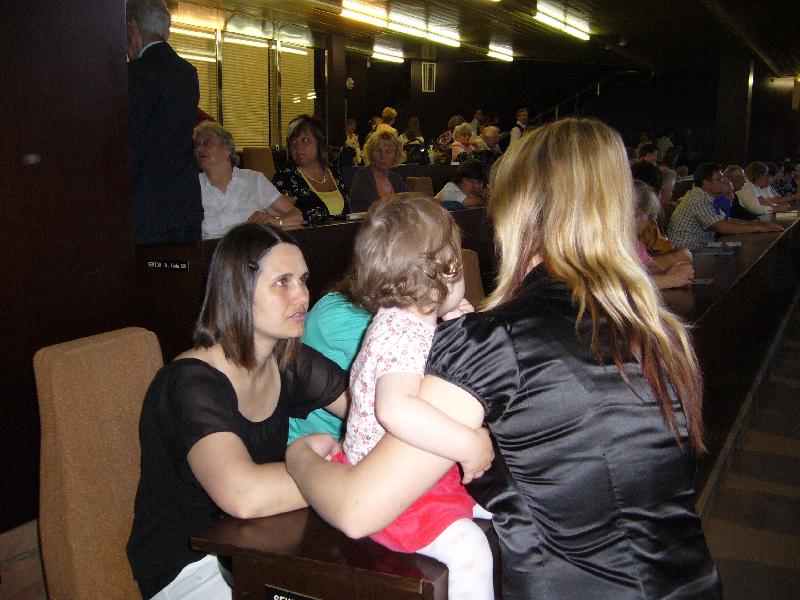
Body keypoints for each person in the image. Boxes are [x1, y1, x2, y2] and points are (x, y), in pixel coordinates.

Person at [286, 118, 722, 599]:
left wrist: (299, 458)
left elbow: (358, 508)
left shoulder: (493, 344)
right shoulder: (658, 331)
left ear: (518, 213)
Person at [127, 223, 349, 599]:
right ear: (237, 292)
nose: (302, 296)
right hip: (191, 565)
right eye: (282, 282)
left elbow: (372, 413)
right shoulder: (189, 383)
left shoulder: (285, 360)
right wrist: (349, 477)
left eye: (303, 280)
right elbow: (244, 494)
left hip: (260, 541)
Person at [337, 195, 495, 599]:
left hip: (410, 469)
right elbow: (395, 408)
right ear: (447, 270)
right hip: (391, 491)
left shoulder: (407, 321)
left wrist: (448, 322)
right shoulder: (403, 334)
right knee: (472, 551)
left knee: (497, 514)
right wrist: (469, 444)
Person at [126, 0, 203, 244]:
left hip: (146, 209)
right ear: (167, 31)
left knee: (148, 270)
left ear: (132, 27)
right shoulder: (188, 72)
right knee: (182, 269)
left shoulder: (132, 74)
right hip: (185, 205)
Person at [194, 122, 302, 239]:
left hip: (252, 248)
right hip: (210, 249)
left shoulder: (254, 180)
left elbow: (296, 216)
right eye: (197, 145)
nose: (199, 149)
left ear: (227, 147)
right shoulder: (192, 187)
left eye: (206, 143)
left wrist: (274, 221)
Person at [667, 162, 782, 250]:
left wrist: (757, 224)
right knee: (742, 251)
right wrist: (758, 228)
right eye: (719, 179)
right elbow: (722, 227)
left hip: (703, 246)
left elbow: (727, 220)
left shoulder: (707, 197)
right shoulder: (697, 198)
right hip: (689, 252)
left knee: (742, 246)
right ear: (706, 183)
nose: (723, 182)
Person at [272, 115, 349, 223]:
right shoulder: (286, 176)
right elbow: (282, 219)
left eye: (305, 140)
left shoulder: (335, 172)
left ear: (319, 143)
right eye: (293, 141)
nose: (298, 146)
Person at [633, 180, 694, 289]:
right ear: (636, 215)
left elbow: (647, 267)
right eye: (650, 217)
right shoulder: (610, 243)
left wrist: (670, 270)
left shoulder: (634, 242)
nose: (649, 223)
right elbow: (620, 285)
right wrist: (669, 279)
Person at [348, 130, 409, 212]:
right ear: (370, 152)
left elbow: (410, 201)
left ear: (396, 154)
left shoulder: (395, 177)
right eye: (378, 151)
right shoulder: (362, 176)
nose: (383, 156)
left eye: (388, 151)